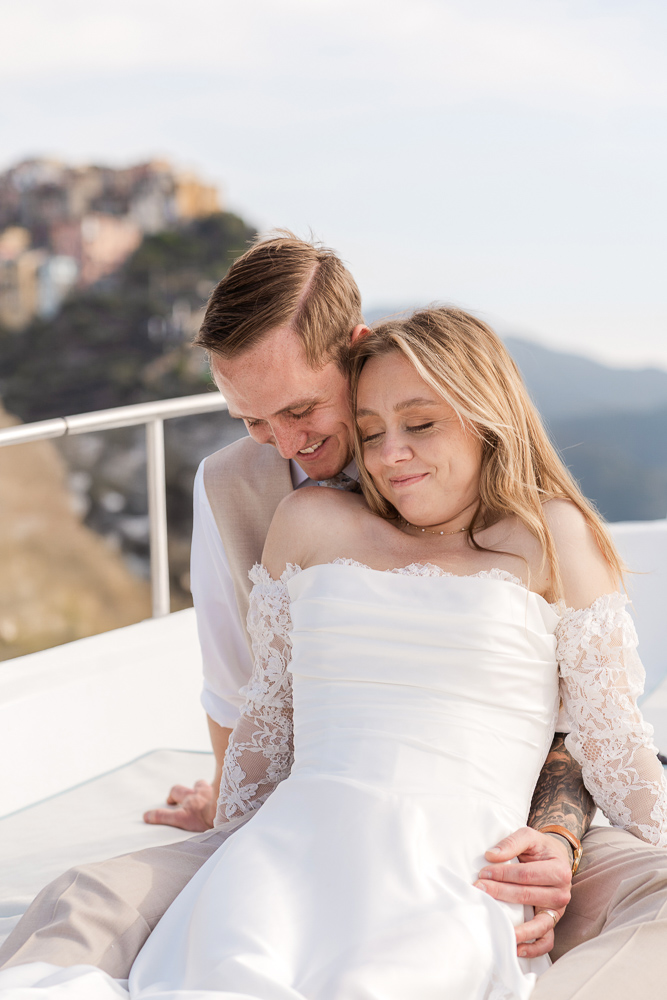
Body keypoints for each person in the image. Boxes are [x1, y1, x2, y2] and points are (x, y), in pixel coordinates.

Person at [0, 237, 664, 999]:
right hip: (305, 821)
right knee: (89, 897)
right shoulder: (267, 505)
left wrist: (558, 836)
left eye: (300, 409)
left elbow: (597, 734)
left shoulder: (544, 539)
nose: (285, 442)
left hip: (504, 825)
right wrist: (229, 813)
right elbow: (247, 702)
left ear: (353, 356)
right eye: (251, 420)